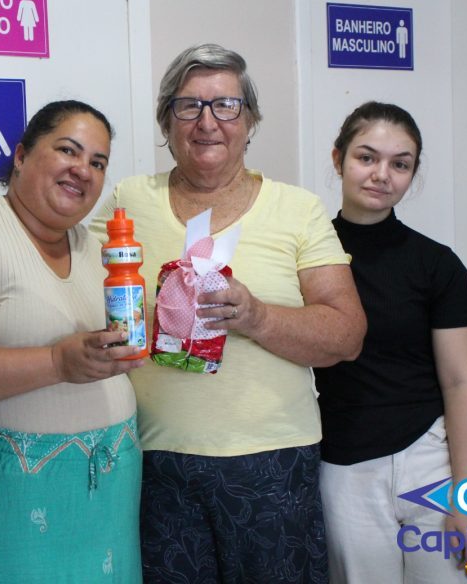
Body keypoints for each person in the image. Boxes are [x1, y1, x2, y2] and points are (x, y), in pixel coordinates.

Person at [89, 44, 366, 583]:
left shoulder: (297, 209)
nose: (207, 122)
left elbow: (347, 335)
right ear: (165, 122)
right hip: (154, 459)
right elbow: (76, 288)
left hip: (273, 461)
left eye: (226, 105)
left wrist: (258, 317)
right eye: (188, 105)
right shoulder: (128, 200)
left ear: (251, 120)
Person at [0, 100, 145, 582]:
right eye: (68, 150)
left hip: (109, 488)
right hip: (17, 492)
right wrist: (57, 363)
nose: (83, 170)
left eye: (98, 162)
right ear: (20, 156)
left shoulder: (93, 248)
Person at [313, 101, 467, 583]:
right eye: (366, 157)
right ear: (338, 159)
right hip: (345, 466)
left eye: (400, 164)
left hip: (430, 460)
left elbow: (461, 383)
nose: (381, 175)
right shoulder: (309, 259)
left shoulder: (438, 265)